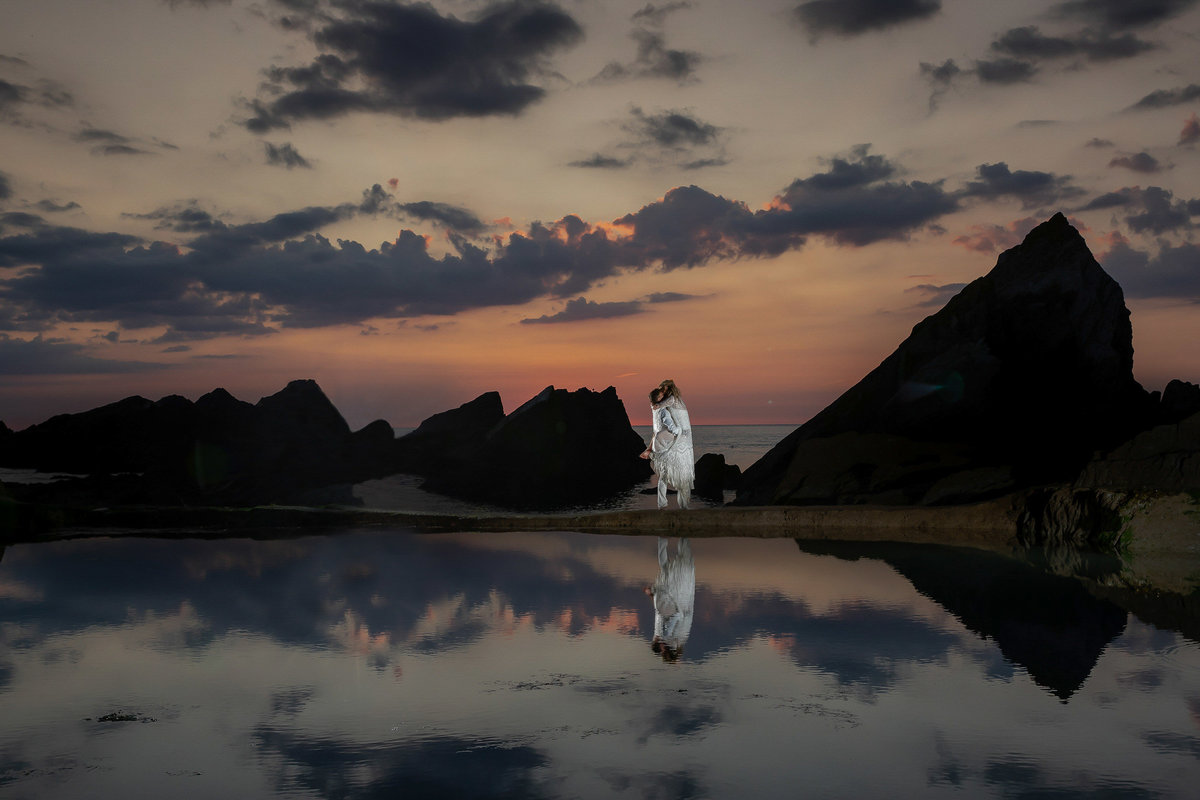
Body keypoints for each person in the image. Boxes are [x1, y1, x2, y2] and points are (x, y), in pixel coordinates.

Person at [640, 379, 694, 509]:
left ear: (668, 390)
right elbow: (663, 427)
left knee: (669, 476)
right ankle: (681, 506)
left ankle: (664, 505)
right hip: (678, 440)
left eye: (663, 390)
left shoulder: (669, 401)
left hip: (677, 441)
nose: (661, 392)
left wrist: (649, 448)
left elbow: (656, 407)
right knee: (679, 475)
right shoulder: (668, 406)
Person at [645, 537, 695, 662]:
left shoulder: (675, 639)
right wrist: (654, 596)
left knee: (667, 567)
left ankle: (674, 537)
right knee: (668, 567)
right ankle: (668, 537)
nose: (662, 650)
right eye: (663, 652)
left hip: (675, 600)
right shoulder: (669, 638)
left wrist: (654, 597)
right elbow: (674, 616)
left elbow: (661, 617)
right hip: (675, 599)